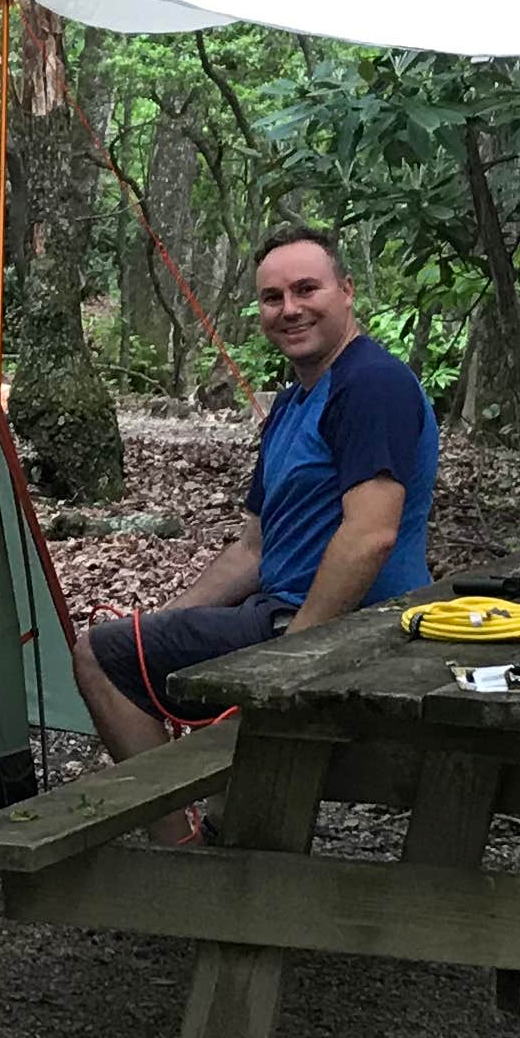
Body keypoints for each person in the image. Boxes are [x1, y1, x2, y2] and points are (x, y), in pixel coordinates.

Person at [71, 225, 440, 763]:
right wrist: (162, 622)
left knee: (96, 655)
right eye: (273, 297)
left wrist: (295, 651)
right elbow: (253, 549)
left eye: (306, 290)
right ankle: (213, 823)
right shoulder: (291, 407)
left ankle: (177, 840)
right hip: (281, 610)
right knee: (131, 645)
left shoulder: (371, 384)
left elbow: (371, 533)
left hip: (356, 625)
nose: (290, 309)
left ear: (347, 290)